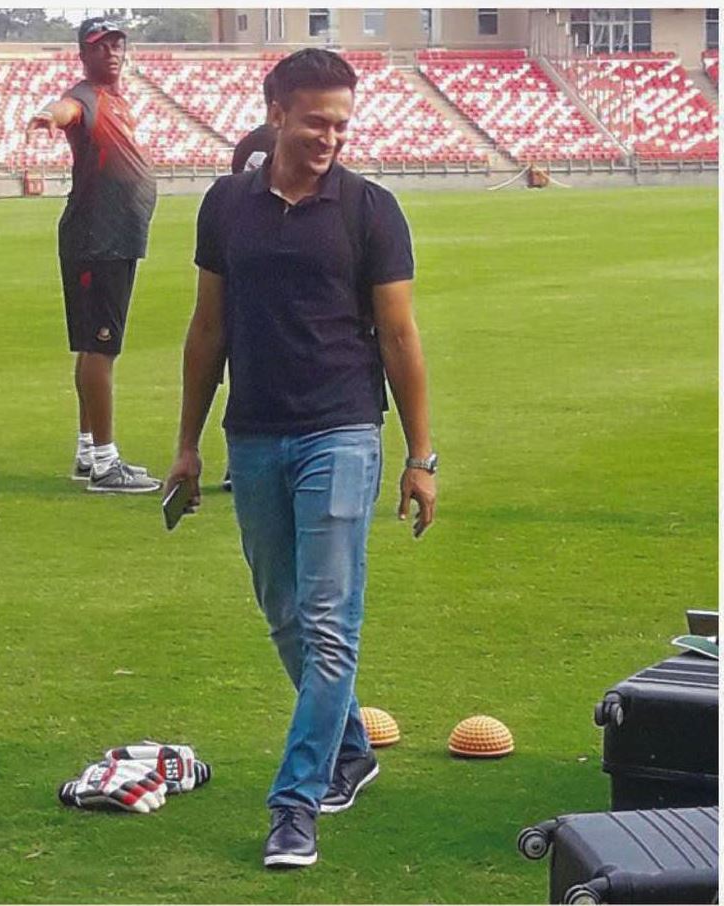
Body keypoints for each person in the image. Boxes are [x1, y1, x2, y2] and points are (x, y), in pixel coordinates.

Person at [165, 48, 437, 869]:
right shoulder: (226, 206)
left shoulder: (370, 210)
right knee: (283, 611)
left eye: (342, 125)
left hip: (342, 431)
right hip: (252, 434)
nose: (330, 138)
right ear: (275, 111)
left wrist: (421, 456)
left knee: (327, 622)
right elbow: (208, 327)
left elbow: (399, 338)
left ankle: (296, 802)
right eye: (316, 121)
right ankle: (349, 748)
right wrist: (186, 444)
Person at [26, 17, 160, 493]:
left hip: (111, 238)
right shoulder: (85, 96)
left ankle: (88, 449)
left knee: (92, 345)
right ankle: (106, 463)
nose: (112, 52)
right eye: (100, 46)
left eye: (117, 44)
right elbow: (65, 109)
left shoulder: (117, 100)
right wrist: (49, 115)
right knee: (102, 346)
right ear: (83, 54)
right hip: (98, 239)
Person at [221, 68, 278, 492]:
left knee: (244, 370)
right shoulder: (275, 144)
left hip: (242, 264)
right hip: (273, 265)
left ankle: (236, 463)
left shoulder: (248, 144)